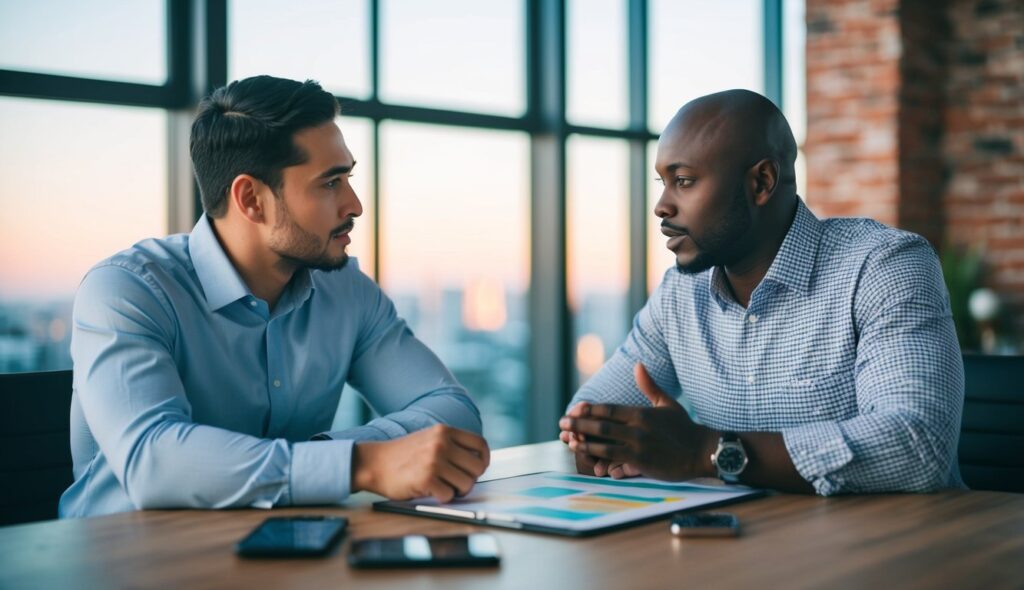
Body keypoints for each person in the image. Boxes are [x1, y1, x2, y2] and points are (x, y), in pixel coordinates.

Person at [61, 76, 489, 518]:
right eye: (329, 184)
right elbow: (154, 462)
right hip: (126, 560)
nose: (355, 204)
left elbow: (453, 412)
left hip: (283, 548)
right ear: (252, 200)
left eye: (348, 178)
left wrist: (326, 457)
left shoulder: (345, 290)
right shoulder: (128, 290)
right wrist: (361, 463)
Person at [558, 89, 964, 495]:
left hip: (890, 547)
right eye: (663, 183)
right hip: (744, 544)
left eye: (683, 181)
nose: (661, 206)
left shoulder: (883, 266)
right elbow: (589, 412)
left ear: (761, 182)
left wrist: (706, 452)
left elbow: (918, 446)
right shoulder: (680, 294)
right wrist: (597, 440)